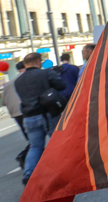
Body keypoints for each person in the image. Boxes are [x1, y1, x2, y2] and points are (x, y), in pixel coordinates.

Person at [15, 52, 66, 185]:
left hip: (28, 117)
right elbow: (61, 86)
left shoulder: (18, 80)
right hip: (46, 113)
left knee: (35, 146)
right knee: (56, 142)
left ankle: (28, 173)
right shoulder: (44, 73)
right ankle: (62, 171)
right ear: (38, 62)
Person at [1, 61, 29, 169]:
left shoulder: (8, 83)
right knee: (36, 137)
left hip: (16, 114)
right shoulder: (26, 79)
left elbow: (4, 101)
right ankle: (24, 156)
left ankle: (27, 157)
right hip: (27, 111)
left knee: (31, 137)